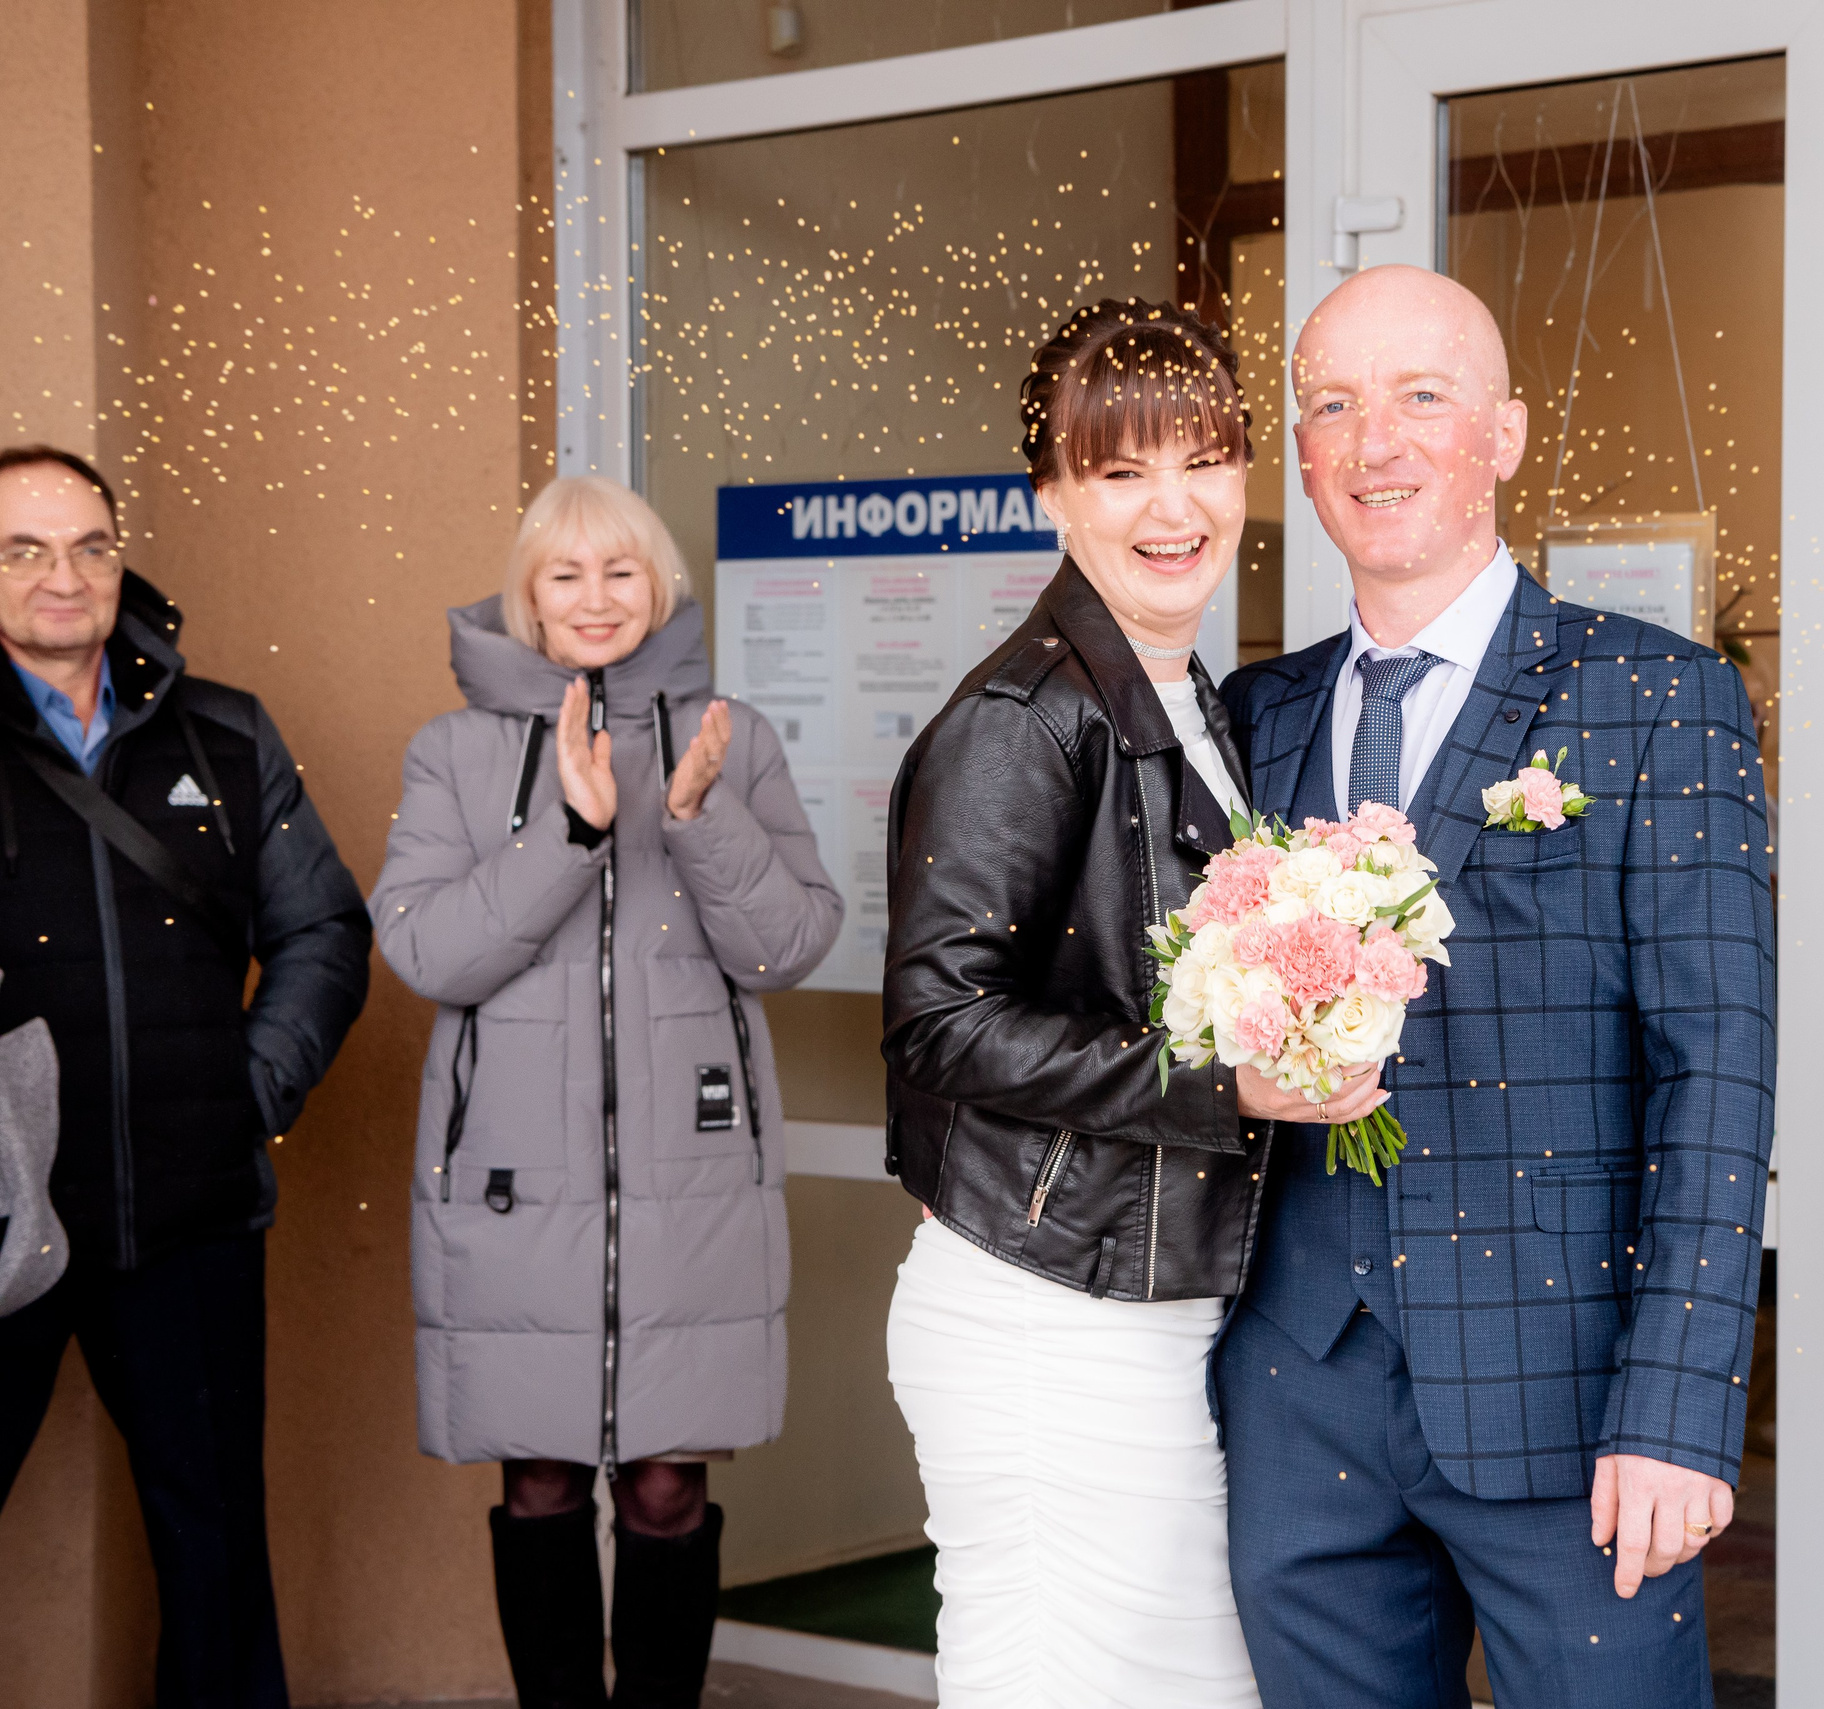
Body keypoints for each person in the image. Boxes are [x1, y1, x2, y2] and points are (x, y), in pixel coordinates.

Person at [1215, 265, 1777, 1706]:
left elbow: (1718, 1075)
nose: (1373, 441)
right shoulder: (1252, 717)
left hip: (1576, 1407)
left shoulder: (1657, 697)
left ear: (1506, 437)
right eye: (1331, 405)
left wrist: (1682, 1409)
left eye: (1422, 397)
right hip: (1299, 1392)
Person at [880, 299, 1371, 1709]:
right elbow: (938, 1019)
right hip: (1046, 1324)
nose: (1174, 506)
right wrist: (1226, 1085)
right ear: (1051, 495)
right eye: (1119, 470)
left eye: (1203, 460)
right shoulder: (1021, 718)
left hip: (1136, 1306)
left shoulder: (1189, 696)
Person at [373, 475, 842, 1709]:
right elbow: (427, 950)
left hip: (690, 1194)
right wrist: (568, 836)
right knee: (536, 1481)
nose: (595, 598)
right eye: (565, 575)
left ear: (662, 588)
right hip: (514, 1194)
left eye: (620, 571)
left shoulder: (732, 736)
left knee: (664, 1486)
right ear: (527, 598)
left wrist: (696, 817)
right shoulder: (456, 750)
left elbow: (786, 944)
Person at [0, 444, 372, 1708]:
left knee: (212, 1534)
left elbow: (323, 928)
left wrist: (249, 1088)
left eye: (91, 545)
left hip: (190, 1207)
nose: (66, 575)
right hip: (4, 1211)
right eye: (24, 548)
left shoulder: (222, 730)